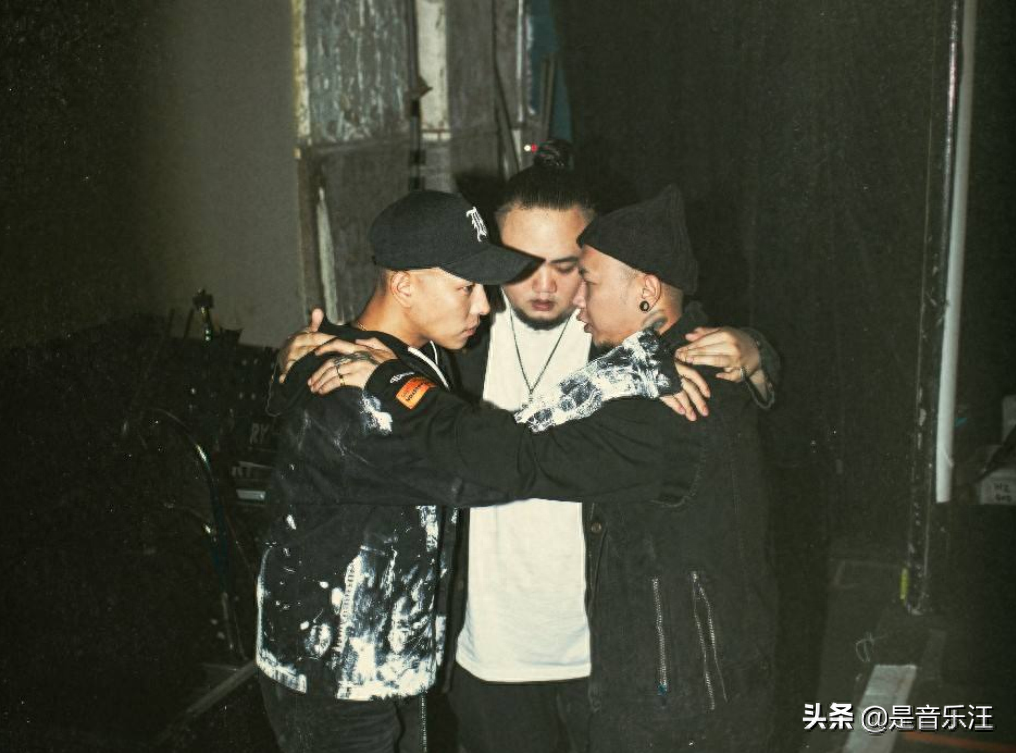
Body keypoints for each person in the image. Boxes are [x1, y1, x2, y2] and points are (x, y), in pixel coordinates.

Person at [279, 143, 776, 753]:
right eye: (520, 265)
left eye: (570, 268)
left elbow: (695, 340)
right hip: (487, 655)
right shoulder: (463, 335)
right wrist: (295, 359)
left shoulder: (622, 336)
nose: (545, 286)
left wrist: (755, 351)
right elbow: (395, 390)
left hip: (606, 655)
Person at [255, 189, 532, 753]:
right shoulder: (355, 390)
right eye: (466, 288)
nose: (484, 306)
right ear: (404, 285)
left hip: (379, 660)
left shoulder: (410, 356)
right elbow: (494, 471)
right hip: (334, 679)